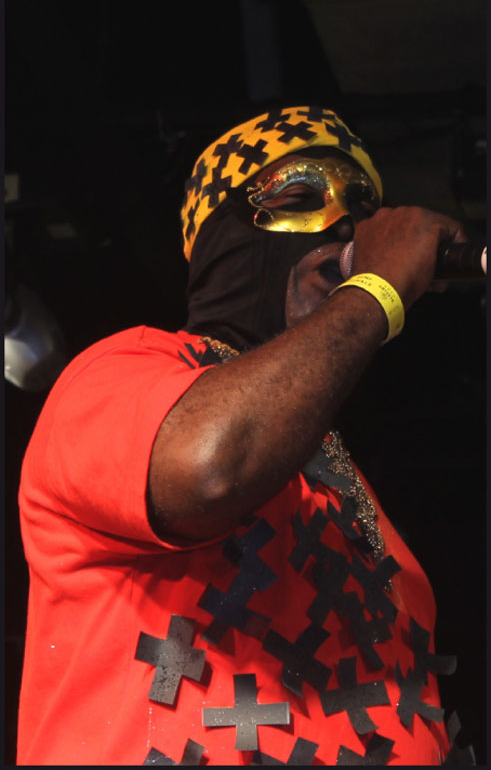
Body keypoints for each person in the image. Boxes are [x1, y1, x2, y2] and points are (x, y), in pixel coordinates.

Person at [17, 105, 470, 766]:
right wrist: (376, 289)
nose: (347, 226)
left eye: (362, 210)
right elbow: (208, 469)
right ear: (222, 239)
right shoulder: (121, 371)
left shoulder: (351, 492)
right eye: (301, 197)